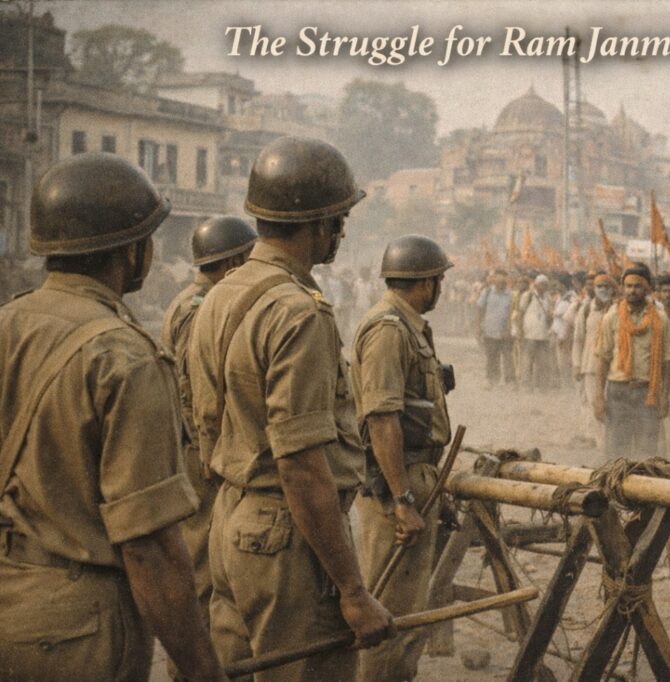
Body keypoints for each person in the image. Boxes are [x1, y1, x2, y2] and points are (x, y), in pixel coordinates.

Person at [0, 153, 225, 681]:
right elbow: (148, 546)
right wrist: (199, 667)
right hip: (78, 632)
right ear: (132, 249)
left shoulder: (7, 322)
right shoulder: (123, 355)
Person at [189, 136, 394, 679]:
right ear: (320, 225)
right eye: (339, 220)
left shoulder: (221, 296)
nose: (341, 233)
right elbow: (301, 464)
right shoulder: (298, 312)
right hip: (289, 537)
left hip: (231, 521)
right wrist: (352, 590)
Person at [350, 235, 453, 682]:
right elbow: (382, 420)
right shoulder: (390, 329)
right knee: (391, 617)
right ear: (427, 283)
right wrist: (403, 500)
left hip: (413, 475)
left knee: (407, 613)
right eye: (439, 280)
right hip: (397, 483)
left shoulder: (406, 325)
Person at [160, 214, 256, 669]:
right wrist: (209, 455)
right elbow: (192, 389)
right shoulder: (201, 309)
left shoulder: (191, 301)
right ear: (234, 261)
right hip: (199, 456)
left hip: (192, 450)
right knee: (202, 572)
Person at [594, 264, 670, 461]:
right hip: (617, 392)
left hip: (648, 393)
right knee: (615, 450)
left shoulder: (660, 318)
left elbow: (668, 361)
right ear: (622, 288)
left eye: (637, 286)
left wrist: (664, 396)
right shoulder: (611, 317)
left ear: (646, 288)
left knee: (647, 450)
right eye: (628, 286)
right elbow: (602, 359)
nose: (632, 291)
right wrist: (598, 397)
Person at [573, 274, 616, 450]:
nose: (603, 290)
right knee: (593, 405)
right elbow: (578, 339)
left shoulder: (617, 310)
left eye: (607, 287)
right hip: (590, 365)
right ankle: (599, 444)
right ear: (594, 289)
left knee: (610, 406)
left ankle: (608, 443)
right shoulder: (586, 310)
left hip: (613, 367)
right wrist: (576, 364)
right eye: (600, 287)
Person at [477, 269, 515, 388]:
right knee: (492, 357)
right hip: (490, 331)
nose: (501, 283)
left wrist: (509, 329)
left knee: (508, 357)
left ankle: (509, 381)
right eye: (499, 281)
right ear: (495, 281)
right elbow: (479, 309)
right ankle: (492, 380)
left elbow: (512, 313)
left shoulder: (510, 295)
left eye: (504, 281)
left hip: (505, 332)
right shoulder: (487, 292)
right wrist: (478, 326)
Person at [519, 274, 554, 390]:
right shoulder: (527, 296)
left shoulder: (548, 298)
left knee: (543, 362)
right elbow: (521, 313)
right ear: (536, 284)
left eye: (545, 284)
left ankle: (542, 386)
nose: (543, 286)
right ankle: (526, 385)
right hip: (529, 334)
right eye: (541, 284)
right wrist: (520, 331)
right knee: (528, 361)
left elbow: (550, 315)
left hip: (543, 335)